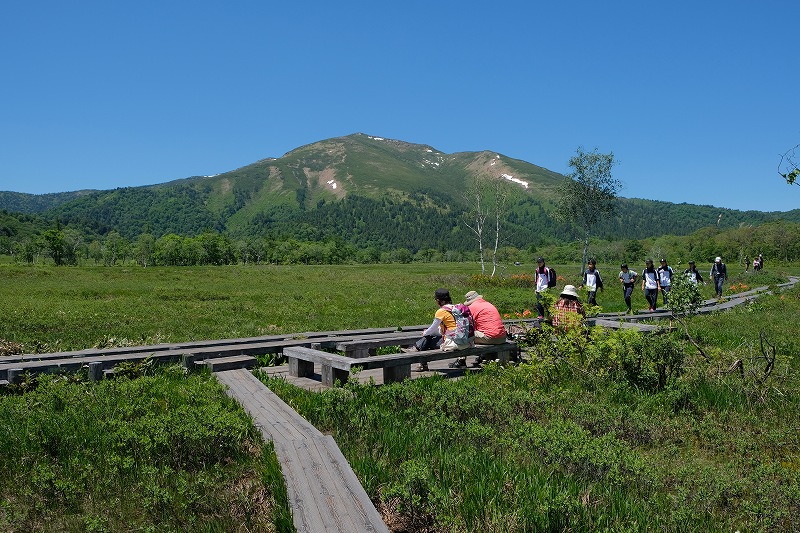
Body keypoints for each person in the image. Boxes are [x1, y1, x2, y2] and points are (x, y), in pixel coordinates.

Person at [414, 288, 473, 371]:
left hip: (454, 344)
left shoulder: (441, 311)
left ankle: (420, 360)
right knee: (427, 339)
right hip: (467, 342)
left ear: (438, 300)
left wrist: (425, 333)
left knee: (427, 339)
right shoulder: (456, 309)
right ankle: (417, 350)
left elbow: (431, 330)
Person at [463, 290, 507, 366]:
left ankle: (461, 361)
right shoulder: (488, 304)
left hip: (490, 338)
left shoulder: (471, 308)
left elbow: (467, 326)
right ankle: (484, 357)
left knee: (464, 335)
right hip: (502, 337)